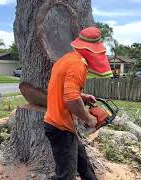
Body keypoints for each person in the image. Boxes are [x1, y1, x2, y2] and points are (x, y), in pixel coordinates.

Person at [44, 27, 113, 180]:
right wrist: (89, 119)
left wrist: (83, 96)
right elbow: (70, 99)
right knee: (66, 175)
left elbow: (63, 90)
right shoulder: (78, 65)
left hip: (64, 125)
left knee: (84, 166)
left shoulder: (67, 59)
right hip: (60, 127)